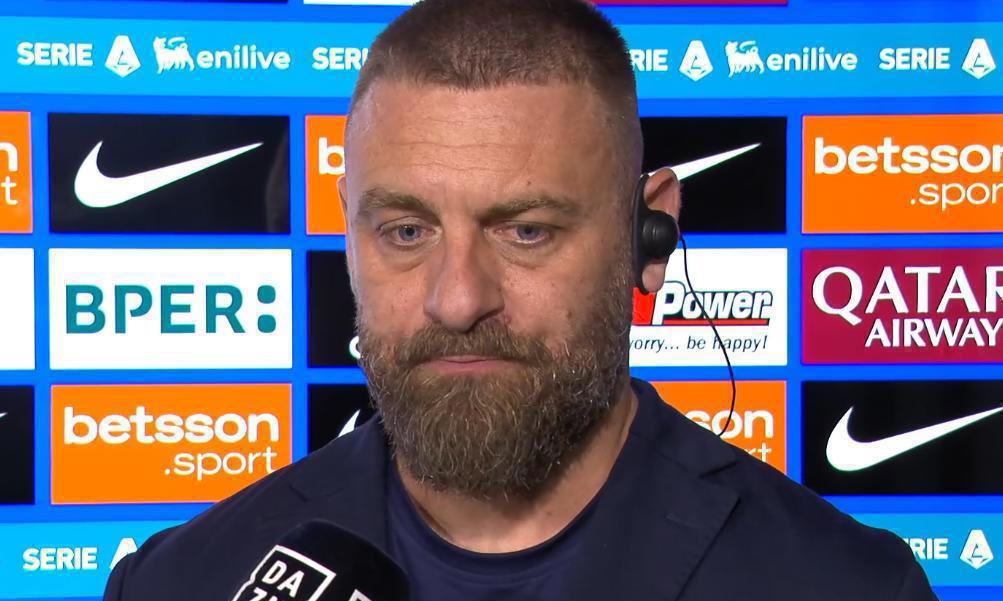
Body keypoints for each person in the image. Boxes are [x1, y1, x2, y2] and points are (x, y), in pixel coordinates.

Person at [104, 1, 938, 599]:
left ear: (647, 239)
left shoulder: (842, 583)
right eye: (406, 231)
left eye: (526, 231)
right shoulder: (181, 581)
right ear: (350, 239)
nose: (458, 298)